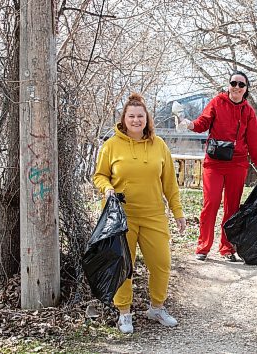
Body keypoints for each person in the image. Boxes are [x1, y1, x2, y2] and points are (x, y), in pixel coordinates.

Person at [93, 93, 186, 334]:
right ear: (124, 119)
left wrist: (178, 213)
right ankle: (124, 312)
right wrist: (107, 188)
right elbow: (99, 175)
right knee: (125, 265)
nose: (136, 120)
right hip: (122, 217)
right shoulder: (111, 145)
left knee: (162, 263)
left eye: (140, 116)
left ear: (147, 119)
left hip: (154, 214)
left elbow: (170, 184)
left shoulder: (159, 145)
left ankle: (157, 308)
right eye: (131, 116)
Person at [179, 71, 257, 262]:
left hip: (237, 164)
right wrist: (189, 125)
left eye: (241, 85)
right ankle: (203, 247)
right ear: (228, 85)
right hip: (214, 162)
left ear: (246, 90)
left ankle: (226, 248)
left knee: (232, 208)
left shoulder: (248, 112)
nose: (237, 87)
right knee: (211, 203)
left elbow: (254, 143)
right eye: (233, 83)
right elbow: (202, 123)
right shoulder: (217, 103)